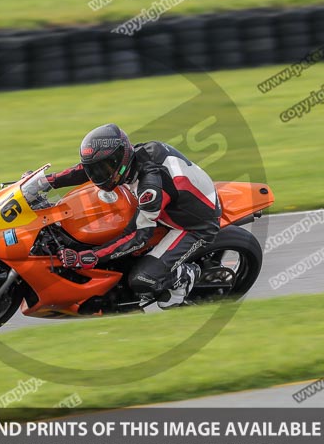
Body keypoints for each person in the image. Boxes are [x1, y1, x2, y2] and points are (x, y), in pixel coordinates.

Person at [39, 123, 221, 308]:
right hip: (173, 200)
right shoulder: (132, 158)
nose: (98, 175)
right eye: (96, 169)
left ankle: (185, 275)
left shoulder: (149, 188)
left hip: (192, 225)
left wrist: (91, 256)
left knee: (142, 280)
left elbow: (139, 236)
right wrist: (46, 182)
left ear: (122, 159)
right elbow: (84, 170)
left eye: (105, 168)